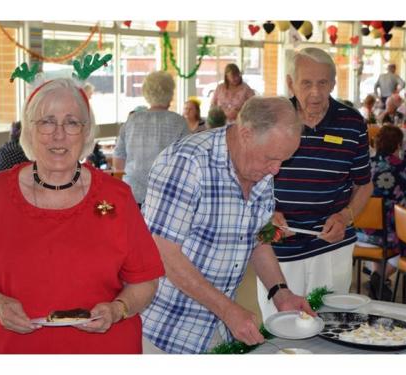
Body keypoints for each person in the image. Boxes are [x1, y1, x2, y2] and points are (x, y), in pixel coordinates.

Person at [0, 78, 165, 353]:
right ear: (29, 131)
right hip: (3, 351)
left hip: (100, 353)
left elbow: (145, 280)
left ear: (86, 131)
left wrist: (118, 309)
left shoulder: (117, 197)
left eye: (71, 122)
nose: (58, 135)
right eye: (46, 122)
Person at [140, 96, 314, 354]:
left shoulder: (260, 169)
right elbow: (162, 254)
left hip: (215, 331)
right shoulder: (188, 162)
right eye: (271, 158)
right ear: (245, 133)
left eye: (283, 160)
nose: (276, 170)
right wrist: (228, 309)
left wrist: (281, 292)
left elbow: (256, 238)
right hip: (164, 332)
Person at [257, 48, 373, 321]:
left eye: (323, 83)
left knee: (330, 322)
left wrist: (346, 216)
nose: (316, 93)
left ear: (333, 83)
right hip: (279, 247)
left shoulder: (352, 123)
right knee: (280, 326)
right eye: (306, 83)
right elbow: (250, 179)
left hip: (331, 246)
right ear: (290, 83)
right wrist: (265, 214)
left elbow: (364, 185)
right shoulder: (272, 120)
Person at [356, 125, 406, 300]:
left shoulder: (368, 164)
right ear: (398, 144)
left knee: (382, 235)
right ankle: (379, 279)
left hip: (362, 232)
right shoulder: (400, 166)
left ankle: (378, 284)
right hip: (389, 234)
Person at [112, 71, 189, 206]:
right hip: (166, 196)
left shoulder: (132, 120)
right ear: (170, 93)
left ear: (146, 92)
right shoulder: (179, 122)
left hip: (132, 194)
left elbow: (118, 162)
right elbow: (188, 163)